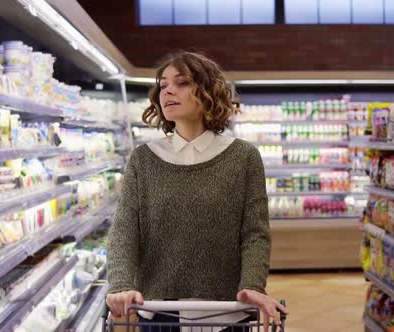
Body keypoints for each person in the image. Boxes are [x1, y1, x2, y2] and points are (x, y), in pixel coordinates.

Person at [105, 51, 288, 331]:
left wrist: (252, 284)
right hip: (160, 312)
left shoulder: (243, 157)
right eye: (163, 85)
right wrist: (120, 284)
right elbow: (125, 229)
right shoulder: (144, 159)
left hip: (228, 311)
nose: (168, 91)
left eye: (182, 83)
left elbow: (255, 232)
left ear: (208, 91)